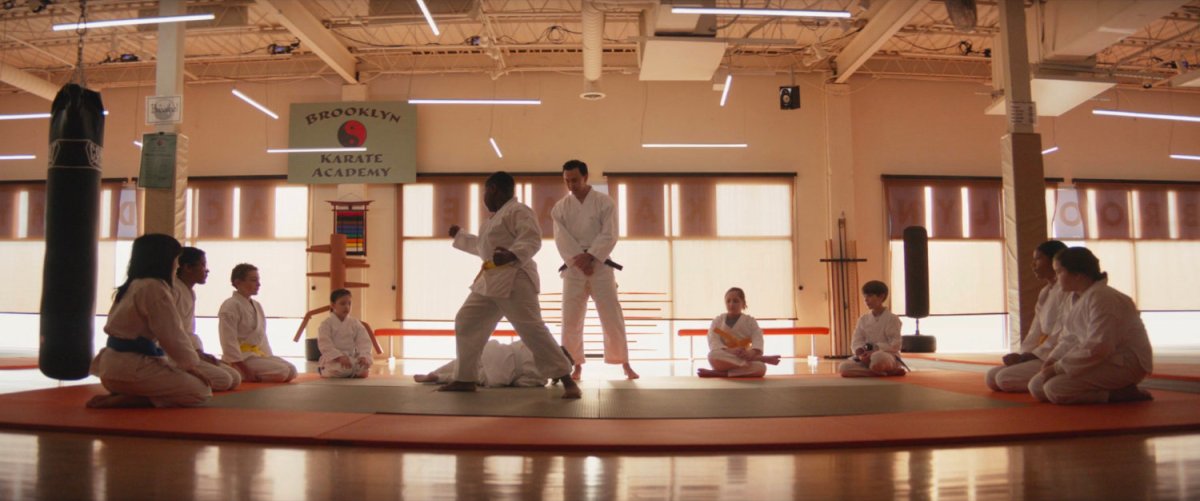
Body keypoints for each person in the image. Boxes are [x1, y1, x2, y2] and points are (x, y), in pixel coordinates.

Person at [442, 171, 582, 399]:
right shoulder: (494, 220)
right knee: (466, 320)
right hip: (489, 282)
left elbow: (532, 239)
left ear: (494, 189)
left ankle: (567, 380)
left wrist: (512, 255)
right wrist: (461, 236)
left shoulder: (519, 211)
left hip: (515, 279)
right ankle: (465, 378)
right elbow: (483, 249)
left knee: (531, 329)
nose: (484, 197)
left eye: (486, 191)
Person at [87, 234, 212, 408]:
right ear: (165, 260)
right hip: (132, 369)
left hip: (111, 370)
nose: (176, 265)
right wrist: (191, 366)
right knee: (200, 391)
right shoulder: (155, 288)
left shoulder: (132, 285)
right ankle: (130, 399)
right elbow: (172, 335)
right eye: (175, 259)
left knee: (207, 381)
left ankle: (127, 393)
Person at [1028, 247, 1154, 404]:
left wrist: (1059, 368)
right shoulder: (1074, 297)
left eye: (1059, 272)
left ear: (1077, 274)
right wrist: (1053, 360)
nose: (1056, 277)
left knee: (1054, 389)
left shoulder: (1103, 298)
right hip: (1098, 358)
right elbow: (1069, 338)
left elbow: (1100, 346)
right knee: (1036, 386)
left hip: (1124, 363)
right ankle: (1107, 390)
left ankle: (1117, 394)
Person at [551, 159, 638, 381]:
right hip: (574, 267)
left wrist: (591, 256)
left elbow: (610, 233)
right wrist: (580, 260)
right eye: (567, 181)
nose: (571, 185)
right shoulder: (560, 208)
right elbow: (561, 238)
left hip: (600, 265)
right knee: (571, 318)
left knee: (611, 316)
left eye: (575, 180)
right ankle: (575, 364)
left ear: (586, 177)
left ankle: (625, 364)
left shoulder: (604, 202)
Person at [986, 240, 1068, 392]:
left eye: (1038, 259)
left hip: (1057, 354)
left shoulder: (1067, 291)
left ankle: (1061, 379)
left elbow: (1061, 331)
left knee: (1003, 379)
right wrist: (1024, 354)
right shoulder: (1045, 292)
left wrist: (1035, 356)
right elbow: (1035, 330)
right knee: (991, 376)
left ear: (1054, 261)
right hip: (1042, 351)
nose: (1033, 265)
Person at [172, 246, 242, 391]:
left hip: (188, 350)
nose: (207, 270)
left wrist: (199, 351)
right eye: (203, 265)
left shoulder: (188, 292)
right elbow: (172, 332)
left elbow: (188, 331)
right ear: (187, 268)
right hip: (172, 352)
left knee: (235, 377)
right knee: (224, 380)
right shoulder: (173, 291)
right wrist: (194, 354)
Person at [218, 263, 297, 383]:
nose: (258, 284)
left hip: (255, 355)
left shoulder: (257, 305)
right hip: (241, 357)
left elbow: (262, 337)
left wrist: (268, 357)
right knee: (282, 372)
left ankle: (250, 373)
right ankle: (240, 372)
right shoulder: (230, 305)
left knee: (291, 370)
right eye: (253, 280)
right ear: (238, 282)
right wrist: (241, 365)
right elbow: (227, 339)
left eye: (258, 280)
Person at [696, 287, 781, 378]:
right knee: (712, 355)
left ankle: (719, 374)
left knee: (761, 368)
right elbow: (713, 340)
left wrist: (751, 353)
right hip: (725, 359)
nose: (731, 304)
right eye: (728, 301)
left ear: (743, 303)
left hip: (746, 357)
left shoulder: (750, 321)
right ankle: (758, 359)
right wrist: (729, 351)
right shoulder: (718, 320)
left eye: (735, 301)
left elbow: (758, 339)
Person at [414, 339, 556, 388]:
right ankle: (439, 378)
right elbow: (520, 383)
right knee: (475, 377)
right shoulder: (542, 378)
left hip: (496, 350)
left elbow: (518, 342)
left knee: (464, 363)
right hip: (502, 373)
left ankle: (434, 372)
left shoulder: (538, 345)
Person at [838, 280, 906, 377]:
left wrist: (875, 349)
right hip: (865, 357)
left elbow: (896, 344)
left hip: (886, 356)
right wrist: (861, 354)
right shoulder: (863, 319)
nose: (866, 300)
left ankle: (875, 370)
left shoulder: (892, 318)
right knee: (843, 366)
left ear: (881, 296)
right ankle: (883, 372)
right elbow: (856, 341)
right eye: (864, 297)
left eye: (869, 296)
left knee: (877, 358)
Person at [317, 288, 373, 378]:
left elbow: (364, 341)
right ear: (333, 305)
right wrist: (339, 357)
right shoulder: (326, 324)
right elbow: (325, 344)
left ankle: (352, 371)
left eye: (349, 303)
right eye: (342, 303)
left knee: (363, 368)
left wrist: (363, 356)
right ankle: (324, 370)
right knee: (342, 369)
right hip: (333, 359)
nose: (346, 307)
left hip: (350, 358)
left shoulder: (354, 323)